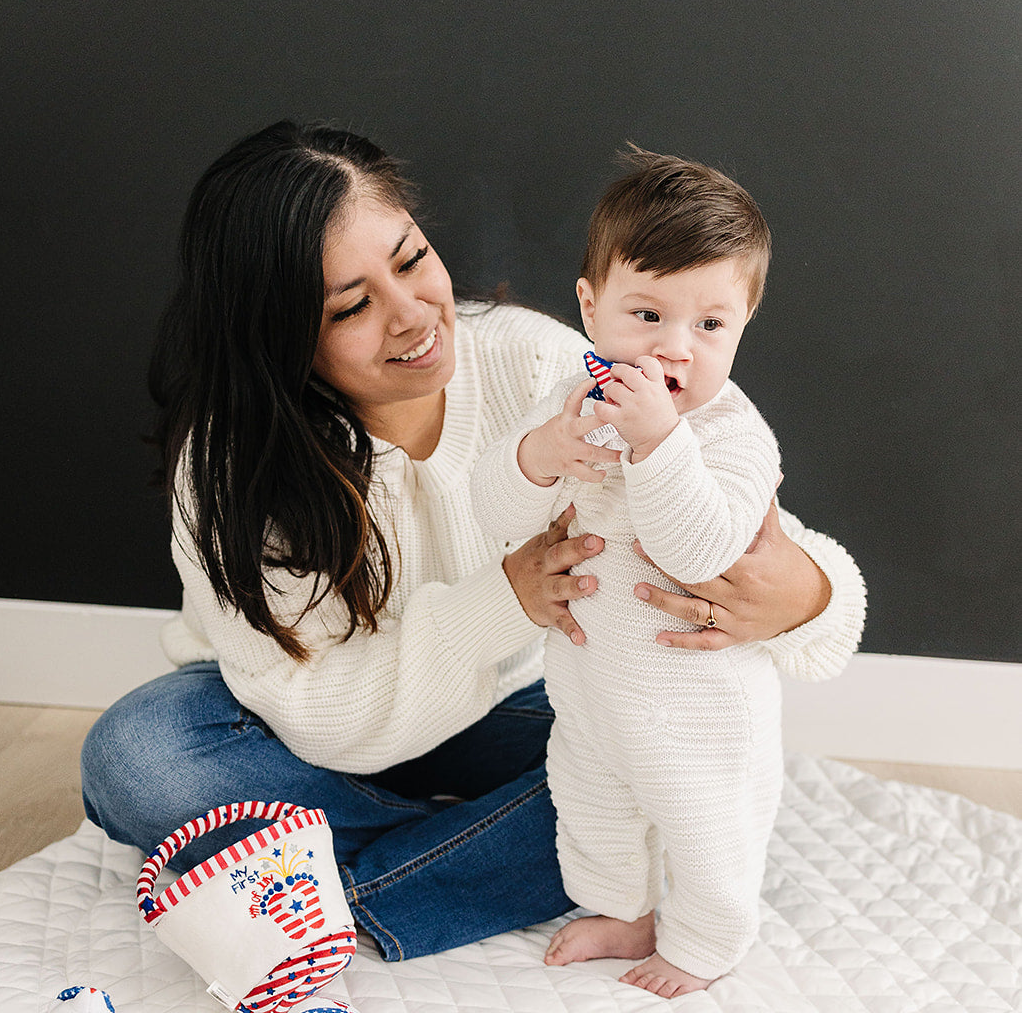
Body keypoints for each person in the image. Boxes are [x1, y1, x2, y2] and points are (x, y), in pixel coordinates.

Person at [80, 121, 866, 966]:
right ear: (282, 340)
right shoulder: (234, 466)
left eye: (412, 260)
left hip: (518, 701)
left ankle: (326, 894)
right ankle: (476, 852)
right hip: (302, 729)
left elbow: (729, 516)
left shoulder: (537, 362)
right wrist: (504, 598)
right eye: (351, 305)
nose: (413, 315)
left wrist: (806, 595)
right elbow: (314, 716)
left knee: (656, 745)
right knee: (138, 762)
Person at [473, 150, 827, 998]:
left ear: (745, 321)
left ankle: (706, 942)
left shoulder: (732, 437)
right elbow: (494, 514)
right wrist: (539, 455)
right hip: (592, 683)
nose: (675, 348)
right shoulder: (568, 401)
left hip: (699, 706)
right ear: (590, 306)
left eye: (710, 325)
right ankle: (621, 910)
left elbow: (700, 551)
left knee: (708, 830)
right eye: (646, 314)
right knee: (592, 805)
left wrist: (659, 443)